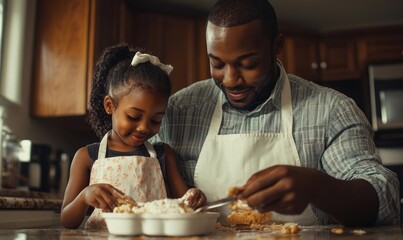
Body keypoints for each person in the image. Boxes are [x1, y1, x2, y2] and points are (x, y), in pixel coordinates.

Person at [152, 0, 400, 227]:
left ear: (276, 46)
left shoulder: (331, 111)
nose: (230, 80)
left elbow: (384, 201)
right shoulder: (177, 112)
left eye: (248, 64)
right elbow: (137, 180)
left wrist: (317, 187)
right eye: (217, 64)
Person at [60, 44, 206, 229]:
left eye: (155, 120)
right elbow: (67, 220)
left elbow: (185, 204)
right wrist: (84, 197)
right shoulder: (86, 157)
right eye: (134, 117)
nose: (144, 127)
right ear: (109, 106)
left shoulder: (164, 154)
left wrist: (194, 196)